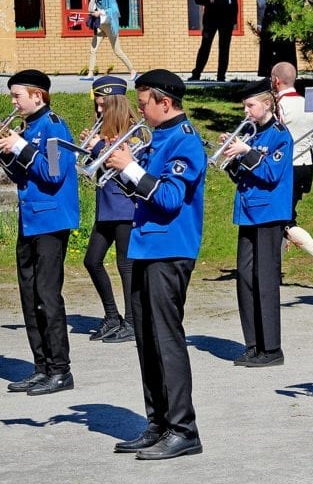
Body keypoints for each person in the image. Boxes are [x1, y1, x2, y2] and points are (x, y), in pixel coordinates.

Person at [105, 69, 206, 459]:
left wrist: (130, 167)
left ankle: (184, 428)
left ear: (165, 103)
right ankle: (158, 422)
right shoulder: (157, 138)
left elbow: (167, 200)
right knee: (146, 341)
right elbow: (141, 192)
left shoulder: (185, 143)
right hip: (145, 248)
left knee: (167, 341)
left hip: (170, 250)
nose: (139, 111)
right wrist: (117, 164)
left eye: (144, 103)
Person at [0, 70, 79, 395]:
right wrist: (5, 149)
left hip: (52, 222)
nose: (13, 102)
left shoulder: (53, 126)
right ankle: (41, 367)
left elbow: (53, 173)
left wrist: (20, 146)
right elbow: (22, 176)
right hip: (31, 220)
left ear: (37, 95)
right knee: (29, 297)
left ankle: (60, 370)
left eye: (17, 96)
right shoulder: (30, 129)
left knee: (47, 296)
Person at [222, 79, 293, 367]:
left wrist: (246, 152)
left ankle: (272, 348)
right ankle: (253, 344)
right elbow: (243, 177)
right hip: (249, 212)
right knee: (245, 278)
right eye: (244, 106)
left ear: (267, 104)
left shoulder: (280, 135)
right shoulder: (251, 135)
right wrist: (232, 159)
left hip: (269, 215)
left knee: (265, 280)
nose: (246, 111)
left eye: (250, 105)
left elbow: (271, 173)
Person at [271, 61, 313, 289]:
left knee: (285, 220)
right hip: (304, 167)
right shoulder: (307, 104)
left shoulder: (276, 105)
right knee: (283, 217)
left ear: (276, 80)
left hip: (283, 168)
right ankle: (274, 269)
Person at [81, 76, 138, 343]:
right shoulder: (103, 129)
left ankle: (132, 321)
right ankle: (112, 315)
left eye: (103, 105)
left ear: (115, 103)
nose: (99, 110)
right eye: (97, 105)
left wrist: (100, 148)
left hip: (126, 207)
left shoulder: (133, 131)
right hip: (106, 205)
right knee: (92, 260)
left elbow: (130, 168)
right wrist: (89, 147)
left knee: (125, 265)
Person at [82, 0, 138, 81]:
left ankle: (133, 71)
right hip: (100, 26)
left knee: (117, 50)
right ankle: (90, 74)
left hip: (110, 25)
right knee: (92, 50)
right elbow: (90, 10)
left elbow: (114, 9)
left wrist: (101, 12)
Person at [190, 0, 238, 82]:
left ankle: (221, 76)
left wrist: (234, 20)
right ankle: (196, 74)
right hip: (211, 19)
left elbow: (234, 3)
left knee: (224, 48)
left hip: (226, 20)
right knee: (205, 46)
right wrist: (209, 0)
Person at [256, 0, 297, 77]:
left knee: (286, 49)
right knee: (268, 49)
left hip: (283, 19)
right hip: (268, 18)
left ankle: (287, 73)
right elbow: (261, 3)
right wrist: (259, 23)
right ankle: (269, 74)